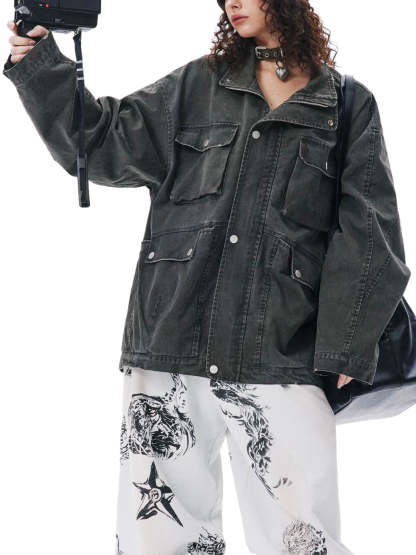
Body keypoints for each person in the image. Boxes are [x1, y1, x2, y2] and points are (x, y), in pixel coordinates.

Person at [4, 0, 410, 553]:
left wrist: (347, 345)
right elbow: (99, 142)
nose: (232, 2)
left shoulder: (344, 103)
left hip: (282, 348)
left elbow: (369, 230)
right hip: (173, 340)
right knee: (160, 535)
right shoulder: (196, 85)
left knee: (302, 537)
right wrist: (38, 62)